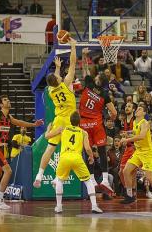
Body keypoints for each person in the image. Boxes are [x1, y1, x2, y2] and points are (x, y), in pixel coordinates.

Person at [0, 95, 43, 209]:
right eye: (5, 100)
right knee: (8, 171)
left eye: (8, 99)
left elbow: (19, 122)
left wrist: (34, 124)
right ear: (0, 104)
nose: (8, 101)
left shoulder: (8, 117)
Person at [33, 38, 77, 188]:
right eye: (58, 75)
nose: (59, 75)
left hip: (58, 120)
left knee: (50, 148)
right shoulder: (66, 84)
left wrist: (57, 68)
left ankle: (39, 175)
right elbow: (73, 63)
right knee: (69, 150)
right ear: (59, 80)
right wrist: (73, 46)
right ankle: (58, 177)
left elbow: (53, 80)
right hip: (70, 121)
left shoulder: (51, 90)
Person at [45, 111, 103, 214]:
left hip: (64, 157)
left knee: (59, 180)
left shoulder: (63, 128)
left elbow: (47, 136)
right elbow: (88, 148)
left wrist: (48, 128)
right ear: (79, 122)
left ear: (70, 121)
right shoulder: (83, 132)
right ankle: (94, 206)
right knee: (88, 181)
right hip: (77, 158)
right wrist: (91, 157)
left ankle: (59, 207)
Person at [80, 48, 118, 192]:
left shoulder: (89, 83)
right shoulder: (105, 94)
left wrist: (84, 55)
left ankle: (91, 180)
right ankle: (105, 179)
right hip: (97, 123)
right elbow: (114, 112)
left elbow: (84, 68)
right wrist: (108, 118)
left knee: (88, 151)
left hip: (84, 123)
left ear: (97, 80)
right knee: (102, 151)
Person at [120, 104, 152, 207]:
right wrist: (127, 133)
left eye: (140, 109)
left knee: (149, 177)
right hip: (138, 151)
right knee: (126, 171)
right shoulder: (135, 121)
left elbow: (141, 136)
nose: (137, 110)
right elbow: (136, 132)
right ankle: (129, 196)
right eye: (137, 108)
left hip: (147, 152)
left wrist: (127, 139)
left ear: (144, 113)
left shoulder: (145, 123)